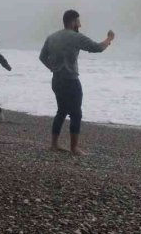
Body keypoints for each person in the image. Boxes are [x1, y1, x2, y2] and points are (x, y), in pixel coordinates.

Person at [39, 9, 114, 155]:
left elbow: (42, 57)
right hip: (71, 80)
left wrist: (52, 68)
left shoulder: (52, 37)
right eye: (78, 21)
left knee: (61, 111)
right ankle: (74, 148)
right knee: (76, 113)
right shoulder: (74, 37)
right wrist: (109, 39)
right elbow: (97, 48)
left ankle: (54, 144)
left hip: (56, 79)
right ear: (73, 22)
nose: (80, 24)